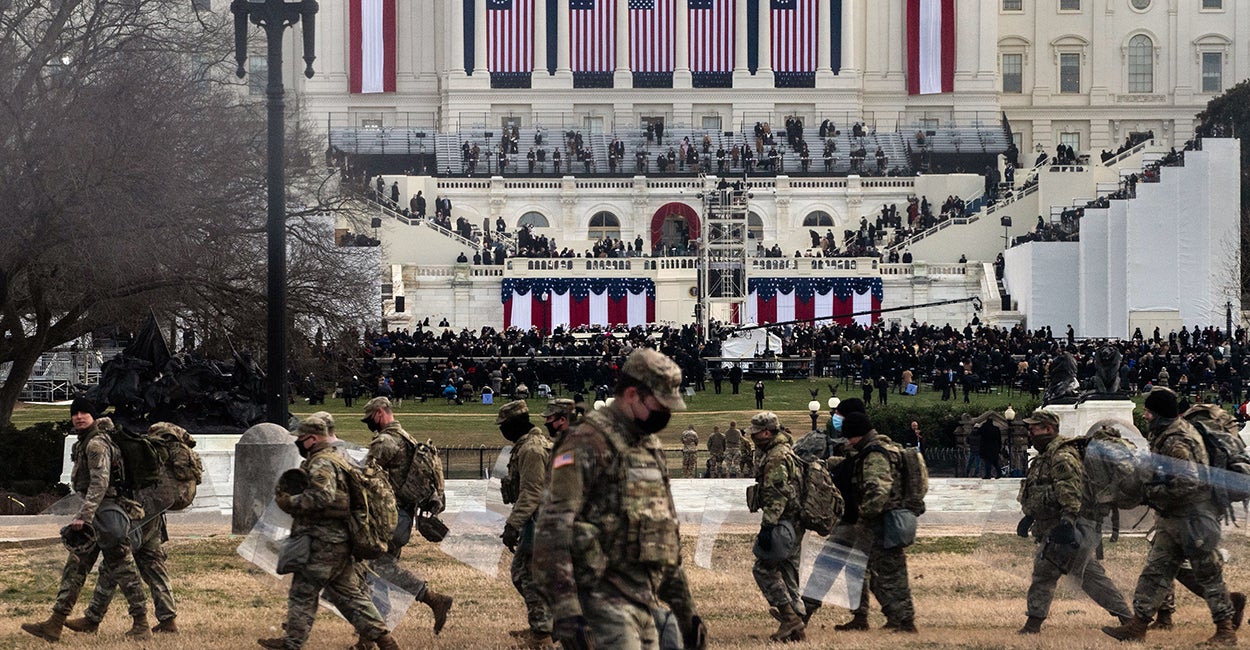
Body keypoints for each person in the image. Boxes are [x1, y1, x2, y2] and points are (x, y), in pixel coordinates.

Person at [532, 348, 707, 650]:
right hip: (601, 602)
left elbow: (665, 535)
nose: (666, 413)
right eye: (660, 404)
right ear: (631, 394)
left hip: (645, 603)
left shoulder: (649, 446)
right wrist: (567, 613)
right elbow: (553, 531)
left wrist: (686, 613)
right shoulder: (586, 442)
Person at [1103, 388, 1239, 645]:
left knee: (1208, 574)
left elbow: (1189, 482)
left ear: (1156, 413)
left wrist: (1150, 491)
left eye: (1147, 411)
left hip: (1194, 518)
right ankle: (1138, 625)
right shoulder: (1165, 434)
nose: (1144, 415)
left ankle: (1225, 630)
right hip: (1174, 518)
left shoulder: (1177, 440)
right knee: (1155, 572)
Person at [260, 415, 400, 650]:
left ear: (312, 439)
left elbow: (321, 497)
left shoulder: (322, 463)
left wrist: (289, 502)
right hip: (337, 542)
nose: (299, 444)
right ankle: (386, 641)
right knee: (350, 597)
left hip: (323, 542)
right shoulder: (337, 457)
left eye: (301, 439)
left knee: (303, 592)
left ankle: (292, 643)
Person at [23, 398, 151, 642]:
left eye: (84, 413)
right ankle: (55, 623)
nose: (79, 416)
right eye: (75, 413)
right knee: (76, 567)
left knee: (123, 570)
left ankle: (141, 623)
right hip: (96, 514)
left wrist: (84, 515)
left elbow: (99, 483)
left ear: (93, 416)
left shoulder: (95, 444)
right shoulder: (86, 441)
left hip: (106, 515)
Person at [1015, 410, 1131, 635]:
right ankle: (1128, 620)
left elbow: (1070, 490)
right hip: (1059, 525)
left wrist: (1068, 522)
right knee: (1090, 576)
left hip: (1068, 528)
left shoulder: (1061, 456)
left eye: (1034, 428)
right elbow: (1044, 490)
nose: (1030, 433)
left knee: (1044, 572)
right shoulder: (1046, 455)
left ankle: (1033, 625)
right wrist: (1029, 516)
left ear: (1049, 429)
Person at [66, 422, 186, 636]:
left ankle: (93, 618)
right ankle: (168, 619)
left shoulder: (114, 449)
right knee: (154, 566)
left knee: (113, 566)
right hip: (154, 517)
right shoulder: (147, 451)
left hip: (136, 518)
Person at [360, 397, 454, 635]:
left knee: (374, 566)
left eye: (370, 419)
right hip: (403, 518)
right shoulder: (408, 439)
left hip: (386, 518)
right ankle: (373, 630)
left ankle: (432, 598)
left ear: (380, 413)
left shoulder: (385, 441)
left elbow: (363, 479)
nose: (369, 424)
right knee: (380, 570)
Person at [837, 411, 918, 633]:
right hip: (885, 521)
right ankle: (897, 618)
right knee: (881, 574)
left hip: (882, 523)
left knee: (890, 574)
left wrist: (865, 514)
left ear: (857, 434)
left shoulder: (874, 454)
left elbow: (878, 490)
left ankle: (905, 621)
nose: (847, 441)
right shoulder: (879, 448)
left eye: (849, 436)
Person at [497, 400, 554, 648]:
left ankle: (542, 634)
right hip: (540, 519)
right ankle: (546, 625)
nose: (501, 430)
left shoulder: (531, 450)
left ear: (513, 425)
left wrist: (513, 525)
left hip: (541, 521)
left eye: (503, 425)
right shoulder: (528, 446)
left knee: (524, 574)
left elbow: (532, 492)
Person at [748, 411, 807, 642]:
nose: (752, 437)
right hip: (795, 521)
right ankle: (797, 627)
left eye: (755, 433)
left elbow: (777, 494)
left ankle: (789, 617)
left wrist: (767, 527)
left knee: (763, 568)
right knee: (788, 570)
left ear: (766, 432)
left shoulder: (776, 456)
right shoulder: (786, 450)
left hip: (783, 521)